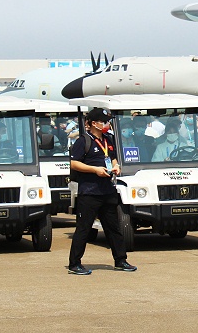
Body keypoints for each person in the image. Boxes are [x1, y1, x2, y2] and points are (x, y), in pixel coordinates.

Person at [67, 108, 136, 275]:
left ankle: (120, 260)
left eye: (107, 121)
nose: (105, 124)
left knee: (113, 227)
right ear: (92, 123)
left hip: (107, 190)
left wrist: (115, 166)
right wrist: (94, 170)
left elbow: (112, 157)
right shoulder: (83, 141)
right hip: (89, 192)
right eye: (102, 121)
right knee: (83, 228)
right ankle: (74, 263)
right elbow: (74, 164)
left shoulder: (108, 139)